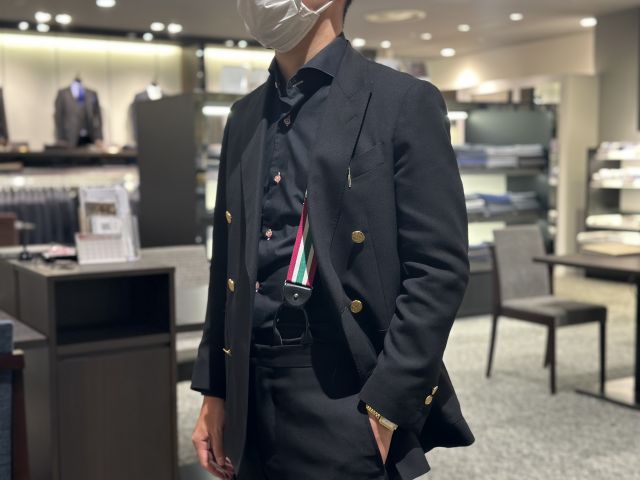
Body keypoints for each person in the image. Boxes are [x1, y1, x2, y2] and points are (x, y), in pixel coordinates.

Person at [191, 1, 474, 478]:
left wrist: (387, 403)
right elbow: (227, 265)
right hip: (248, 388)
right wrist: (214, 389)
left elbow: (438, 268)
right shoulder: (243, 116)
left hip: (346, 393)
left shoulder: (402, 101)